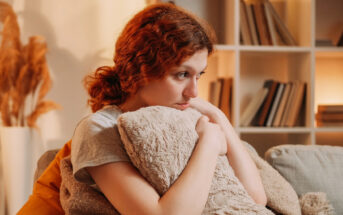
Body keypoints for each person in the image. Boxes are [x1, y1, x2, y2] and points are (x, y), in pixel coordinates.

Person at [19, 3, 266, 215]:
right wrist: (210, 144)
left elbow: (255, 199)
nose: (194, 92)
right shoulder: (100, 129)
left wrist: (219, 118)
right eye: (182, 74)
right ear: (142, 70)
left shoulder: (188, 117)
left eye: (198, 75)